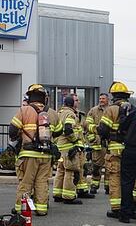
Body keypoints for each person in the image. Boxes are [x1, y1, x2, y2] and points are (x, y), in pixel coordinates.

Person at [9, 84, 63, 216]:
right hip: (46, 155)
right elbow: (58, 132)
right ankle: (41, 209)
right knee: (42, 182)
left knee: (26, 182)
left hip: (28, 153)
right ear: (44, 98)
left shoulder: (24, 110)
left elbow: (12, 131)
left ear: (30, 96)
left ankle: (20, 209)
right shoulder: (53, 113)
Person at [96, 81, 134, 219]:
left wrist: (96, 130)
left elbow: (103, 129)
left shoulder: (111, 110)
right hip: (129, 150)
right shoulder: (133, 108)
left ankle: (116, 208)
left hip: (114, 150)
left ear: (113, 96)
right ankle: (132, 205)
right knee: (130, 178)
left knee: (115, 179)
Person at [53, 95, 86, 204]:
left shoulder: (59, 112)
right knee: (70, 171)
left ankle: (57, 194)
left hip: (60, 147)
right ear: (71, 104)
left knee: (60, 171)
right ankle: (69, 197)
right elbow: (68, 129)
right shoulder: (70, 114)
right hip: (69, 147)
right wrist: (75, 140)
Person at [85, 93, 110, 194]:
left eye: (103, 98)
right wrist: (94, 136)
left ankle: (108, 186)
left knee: (110, 167)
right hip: (97, 143)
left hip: (109, 143)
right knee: (96, 166)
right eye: (100, 98)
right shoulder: (93, 111)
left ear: (108, 100)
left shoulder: (111, 110)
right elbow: (87, 125)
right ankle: (94, 185)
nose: (101, 100)